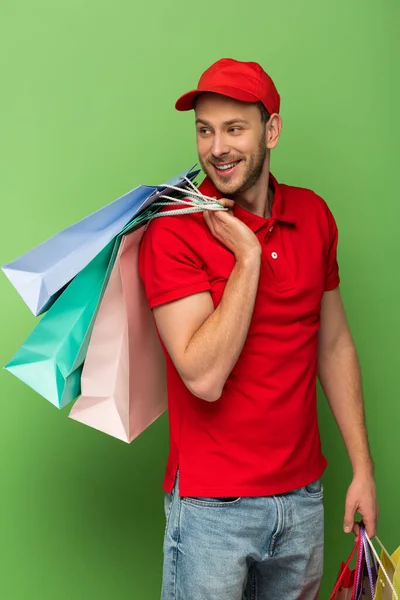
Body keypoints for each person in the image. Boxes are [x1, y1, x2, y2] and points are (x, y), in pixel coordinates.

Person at [138, 58, 378, 600]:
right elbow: (203, 376)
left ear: (271, 131)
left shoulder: (314, 215)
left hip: (302, 502)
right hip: (210, 510)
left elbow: (334, 344)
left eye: (234, 128)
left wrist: (362, 469)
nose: (216, 147)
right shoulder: (173, 230)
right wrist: (247, 259)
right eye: (204, 130)